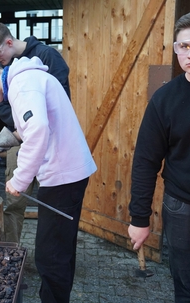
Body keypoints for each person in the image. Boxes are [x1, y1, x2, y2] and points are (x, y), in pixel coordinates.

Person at [0, 55, 97, 303]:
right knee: (61, 250)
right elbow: (24, 129)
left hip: (62, 177)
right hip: (68, 174)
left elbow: (37, 130)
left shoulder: (22, 84)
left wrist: (18, 180)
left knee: (50, 257)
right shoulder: (26, 79)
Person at [0, 22, 71, 243]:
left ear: (9, 42)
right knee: (14, 201)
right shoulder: (3, 71)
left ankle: (50, 253)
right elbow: (2, 108)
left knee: (51, 202)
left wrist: (27, 120)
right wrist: (11, 134)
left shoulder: (47, 56)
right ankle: (12, 252)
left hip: (50, 145)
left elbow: (56, 105)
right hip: (20, 144)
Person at [128, 12, 190, 302]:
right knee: (186, 285)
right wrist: (139, 219)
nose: (189, 54)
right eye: (184, 46)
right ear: (176, 49)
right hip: (182, 209)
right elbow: (145, 161)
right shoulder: (165, 100)